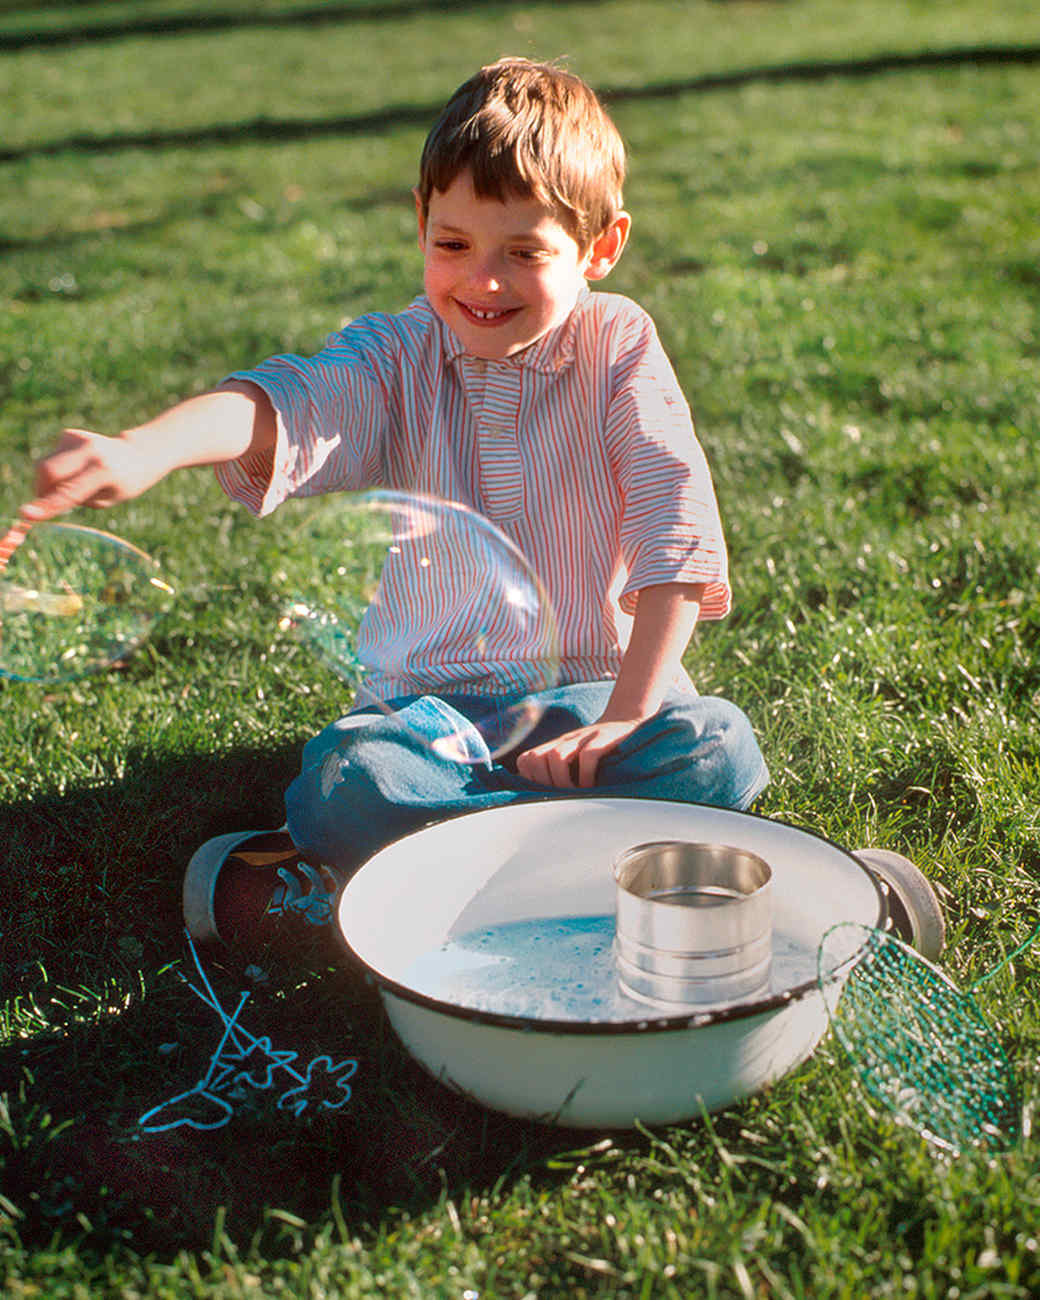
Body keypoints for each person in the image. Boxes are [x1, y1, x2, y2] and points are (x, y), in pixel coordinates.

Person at [18, 57, 771, 957]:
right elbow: (286, 402)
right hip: (433, 720)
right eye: (453, 245)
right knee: (351, 779)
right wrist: (145, 448)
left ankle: (368, 885)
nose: (482, 284)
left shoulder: (620, 346)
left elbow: (673, 524)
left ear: (600, 249)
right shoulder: (396, 357)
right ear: (420, 223)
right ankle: (594, 869)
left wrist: (632, 709)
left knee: (717, 748)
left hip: (602, 698)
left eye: (524, 253)